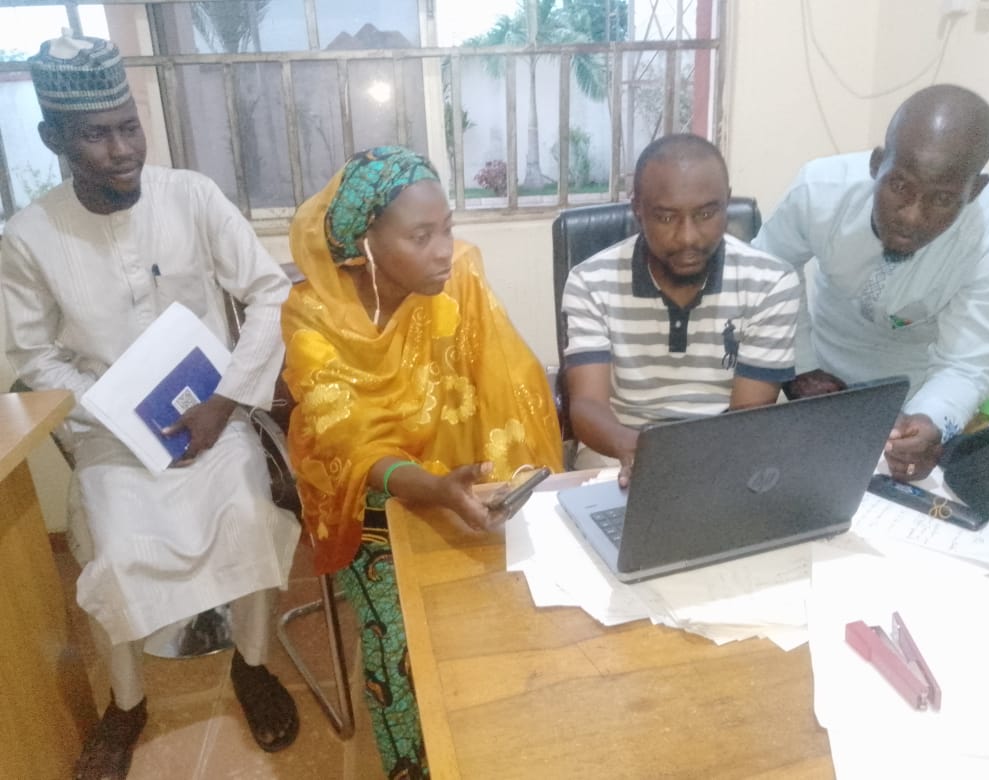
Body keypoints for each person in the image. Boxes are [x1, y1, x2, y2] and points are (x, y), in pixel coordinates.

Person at [1, 33, 301, 779]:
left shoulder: (192, 195)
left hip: (215, 417)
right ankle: (127, 703)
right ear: (53, 138)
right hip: (112, 434)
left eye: (128, 127)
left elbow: (269, 293)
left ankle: (252, 667)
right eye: (95, 135)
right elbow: (30, 356)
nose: (121, 150)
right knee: (113, 546)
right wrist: (116, 413)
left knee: (246, 514)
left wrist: (226, 401)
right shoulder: (28, 237)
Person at [280, 145, 563, 778]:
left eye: (447, 229)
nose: (443, 250)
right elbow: (350, 444)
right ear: (366, 242)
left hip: (463, 483)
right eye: (420, 236)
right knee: (403, 642)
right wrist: (432, 489)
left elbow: (507, 386)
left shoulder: (458, 280)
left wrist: (490, 485)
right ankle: (413, 763)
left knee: (516, 606)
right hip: (371, 507)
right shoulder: (312, 317)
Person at [752, 84, 989, 482]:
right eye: (899, 186)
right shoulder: (820, 191)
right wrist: (800, 366)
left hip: (916, 395)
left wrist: (929, 421)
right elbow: (768, 275)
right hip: (815, 381)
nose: (912, 216)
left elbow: (969, 362)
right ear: (876, 164)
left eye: (942, 199)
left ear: (975, 190)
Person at [561, 134, 801, 484]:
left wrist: (684, 467)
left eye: (706, 213)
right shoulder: (590, 282)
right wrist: (638, 451)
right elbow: (587, 405)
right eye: (666, 217)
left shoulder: (771, 283)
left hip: (729, 452)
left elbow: (748, 418)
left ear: (726, 203)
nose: (688, 237)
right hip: (618, 449)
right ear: (638, 210)